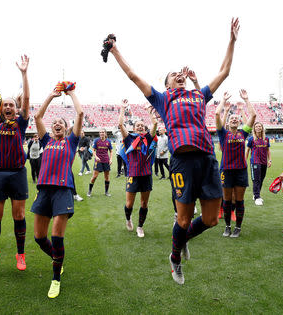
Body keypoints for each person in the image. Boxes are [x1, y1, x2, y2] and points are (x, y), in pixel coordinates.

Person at [107, 17, 240, 284]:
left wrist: (232, 40)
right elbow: (133, 76)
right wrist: (114, 50)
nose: (178, 75)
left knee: (213, 219)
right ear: (168, 84)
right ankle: (175, 257)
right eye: (173, 75)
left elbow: (224, 71)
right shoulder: (162, 98)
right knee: (183, 218)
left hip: (207, 159)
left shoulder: (199, 94)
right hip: (182, 161)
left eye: (180, 75)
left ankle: (184, 238)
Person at [31, 85, 83, 298]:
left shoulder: (71, 142)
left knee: (57, 236)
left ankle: (55, 278)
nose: (57, 125)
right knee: (39, 237)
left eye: (61, 123)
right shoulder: (46, 140)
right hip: (43, 191)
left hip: (63, 192)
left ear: (67, 128)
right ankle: (57, 259)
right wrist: (51, 96)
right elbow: (37, 116)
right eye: (54, 124)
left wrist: (70, 93)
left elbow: (80, 113)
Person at [0, 52, 30, 273]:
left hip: (18, 173)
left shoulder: (20, 124)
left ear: (16, 109)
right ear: (2, 109)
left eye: (12, 104)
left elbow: (27, 100)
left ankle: (20, 255)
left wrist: (24, 73)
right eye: (6, 105)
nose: (9, 106)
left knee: (18, 215)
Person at [216, 90, 256, 238]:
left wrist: (246, 100)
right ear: (228, 122)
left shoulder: (243, 133)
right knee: (226, 201)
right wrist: (224, 105)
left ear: (239, 122)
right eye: (231, 118)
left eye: (236, 118)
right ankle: (227, 227)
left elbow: (253, 116)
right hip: (226, 171)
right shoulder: (223, 134)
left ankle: (238, 227)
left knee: (239, 201)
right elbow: (216, 116)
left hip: (240, 171)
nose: (234, 119)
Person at [118, 99, 157, 237]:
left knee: (144, 203)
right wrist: (123, 108)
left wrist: (148, 111)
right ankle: (128, 219)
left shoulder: (149, 138)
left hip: (146, 175)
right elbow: (120, 124)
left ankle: (140, 227)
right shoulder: (129, 139)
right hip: (133, 175)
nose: (140, 127)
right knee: (129, 204)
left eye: (142, 125)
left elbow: (155, 123)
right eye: (137, 126)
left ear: (145, 129)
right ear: (134, 129)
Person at [245, 122, 271, 206]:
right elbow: (247, 150)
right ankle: (257, 197)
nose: (258, 128)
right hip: (255, 161)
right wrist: (244, 160)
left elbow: (268, 150)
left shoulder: (266, 139)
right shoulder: (251, 139)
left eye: (260, 126)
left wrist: (269, 160)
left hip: (264, 162)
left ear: (262, 128)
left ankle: (256, 194)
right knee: (256, 180)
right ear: (254, 128)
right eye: (256, 126)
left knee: (261, 179)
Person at [87, 128, 113, 197]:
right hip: (98, 161)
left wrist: (110, 159)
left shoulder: (108, 141)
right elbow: (93, 150)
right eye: (100, 132)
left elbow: (111, 151)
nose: (101, 133)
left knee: (107, 177)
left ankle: (106, 192)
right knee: (94, 176)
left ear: (105, 133)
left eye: (103, 132)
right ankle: (89, 191)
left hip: (106, 160)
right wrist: (96, 157)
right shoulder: (96, 141)